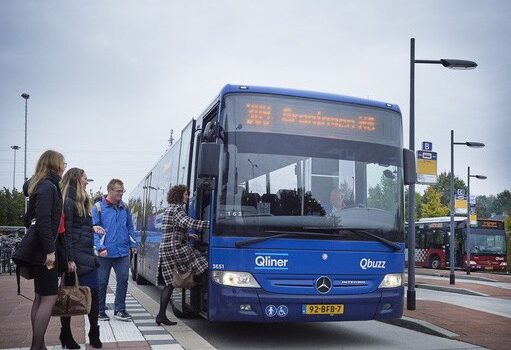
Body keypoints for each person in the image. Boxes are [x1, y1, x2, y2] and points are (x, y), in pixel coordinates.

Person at [22, 150, 66, 350]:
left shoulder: (38, 185)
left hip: (39, 248)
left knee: (40, 296)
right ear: (55, 164)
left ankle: (38, 345)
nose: (64, 166)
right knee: (49, 297)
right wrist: (50, 250)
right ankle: (36, 346)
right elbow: (43, 220)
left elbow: (28, 219)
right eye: (62, 163)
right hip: (46, 249)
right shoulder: (49, 186)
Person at [58, 168, 104, 348]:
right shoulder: (68, 200)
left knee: (93, 292)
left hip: (84, 253)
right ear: (77, 179)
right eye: (85, 179)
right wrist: (69, 259)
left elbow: (77, 225)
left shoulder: (80, 199)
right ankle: (66, 335)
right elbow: (66, 232)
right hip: (75, 255)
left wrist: (92, 228)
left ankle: (93, 331)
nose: (87, 182)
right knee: (69, 295)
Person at [156, 185, 209, 326]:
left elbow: (173, 228)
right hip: (175, 248)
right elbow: (189, 222)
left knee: (170, 284)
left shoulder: (169, 209)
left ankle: (161, 316)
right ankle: (198, 286)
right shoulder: (177, 209)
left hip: (166, 248)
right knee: (201, 262)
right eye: (186, 194)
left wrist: (187, 235)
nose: (187, 196)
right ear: (179, 195)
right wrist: (210, 224)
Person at [92, 178, 137, 322]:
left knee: (123, 279)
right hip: (104, 252)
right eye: (118, 191)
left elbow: (130, 227)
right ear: (109, 190)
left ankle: (120, 310)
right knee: (102, 282)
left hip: (122, 251)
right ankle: (100, 310)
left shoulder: (125, 207)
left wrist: (133, 244)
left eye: (122, 191)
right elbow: (93, 230)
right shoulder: (98, 208)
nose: (121, 194)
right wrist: (99, 248)